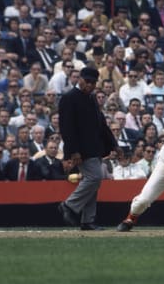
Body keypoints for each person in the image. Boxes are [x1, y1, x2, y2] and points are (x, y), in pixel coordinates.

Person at [58, 67, 118, 231]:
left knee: (93, 183)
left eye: (93, 82)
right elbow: (67, 128)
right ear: (80, 79)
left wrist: (113, 144)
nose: (90, 85)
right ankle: (69, 205)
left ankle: (88, 221)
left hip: (95, 148)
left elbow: (101, 124)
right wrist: (73, 151)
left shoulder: (91, 98)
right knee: (95, 178)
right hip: (81, 150)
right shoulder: (69, 98)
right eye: (88, 82)